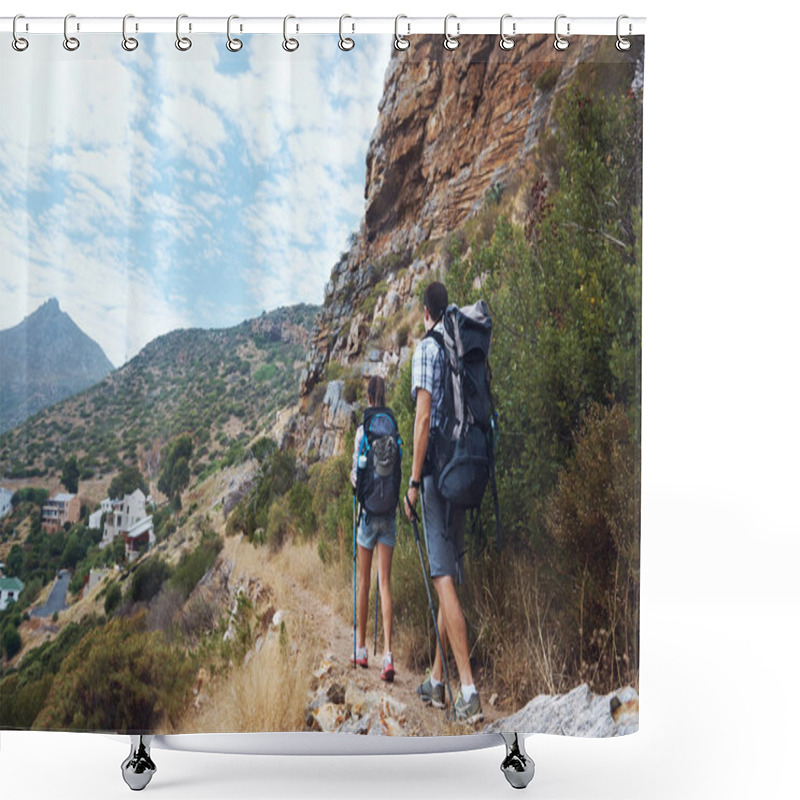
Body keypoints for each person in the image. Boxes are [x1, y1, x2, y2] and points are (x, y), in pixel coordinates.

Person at [404, 281, 484, 724]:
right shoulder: (458, 341)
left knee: (440, 577)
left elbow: (422, 418)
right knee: (449, 573)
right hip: (465, 467)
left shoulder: (426, 349)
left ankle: (468, 689)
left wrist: (414, 483)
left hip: (437, 474)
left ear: (424, 311)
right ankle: (438, 682)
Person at [350, 375, 397, 682]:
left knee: (364, 582)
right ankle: (389, 656)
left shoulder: (361, 432)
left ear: (368, 398)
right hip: (390, 514)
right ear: (384, 397)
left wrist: (354, 484)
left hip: (367, 516)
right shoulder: (393, 428)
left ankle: (362, 650)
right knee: (385, 584)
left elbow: (356, 475)